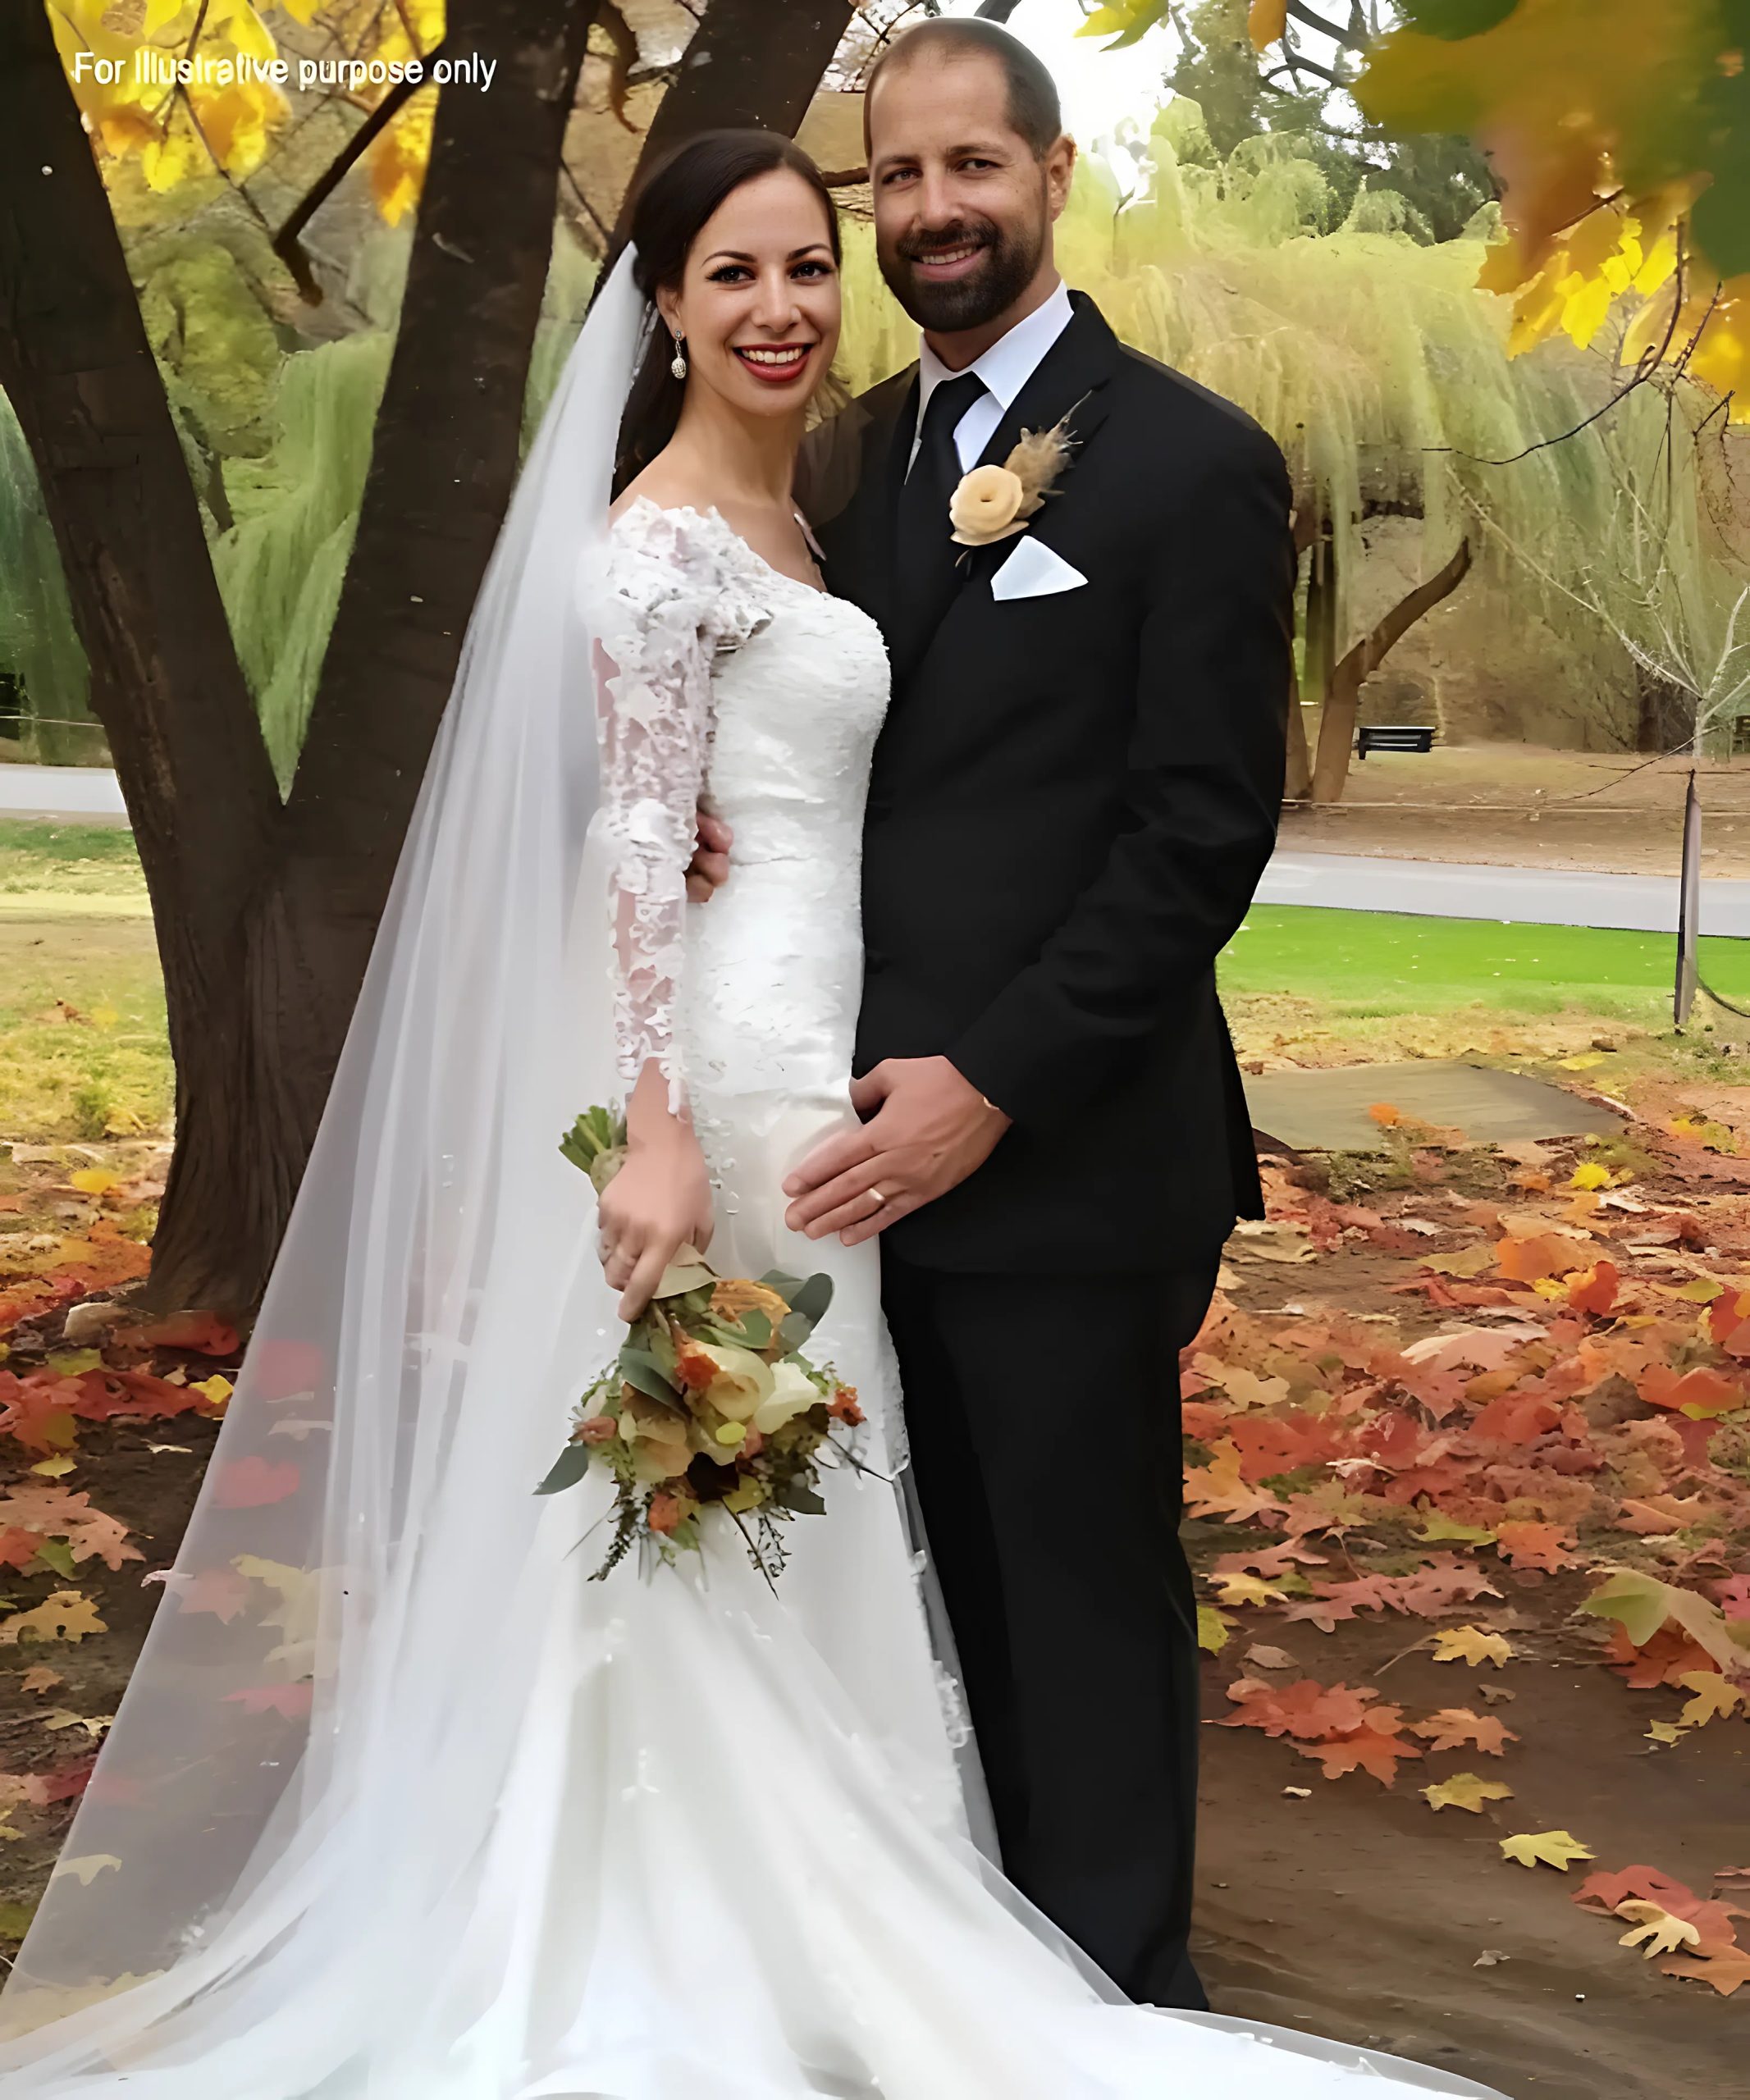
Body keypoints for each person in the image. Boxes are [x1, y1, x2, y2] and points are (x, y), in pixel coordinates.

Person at [0, 120, 1506, 2100]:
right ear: (667, 302)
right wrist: (654, 1102)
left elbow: (1084, 802)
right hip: (739, 1085)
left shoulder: (889, 491)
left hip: (885, 1080)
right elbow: (635, 818)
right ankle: (724, 1923)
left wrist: (744, 874)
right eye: (738, 268)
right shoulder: (696, 524)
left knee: (887, 1516)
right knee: (746, 1505)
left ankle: (926, 1923)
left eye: (811, 259)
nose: (789, 299)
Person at [695, 18, 1295, 2011]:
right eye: (897, 176)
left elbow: (1194, 835)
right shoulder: (836, 455)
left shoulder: (1193, 462)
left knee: (1072, 1602)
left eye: (971, 166)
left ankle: (1114, 2002)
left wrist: (994, 1083)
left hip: (1070, 1159)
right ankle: (957, 1980)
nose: (932, 208)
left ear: (1049, 175)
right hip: (832, 1149)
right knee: (905, 1599)